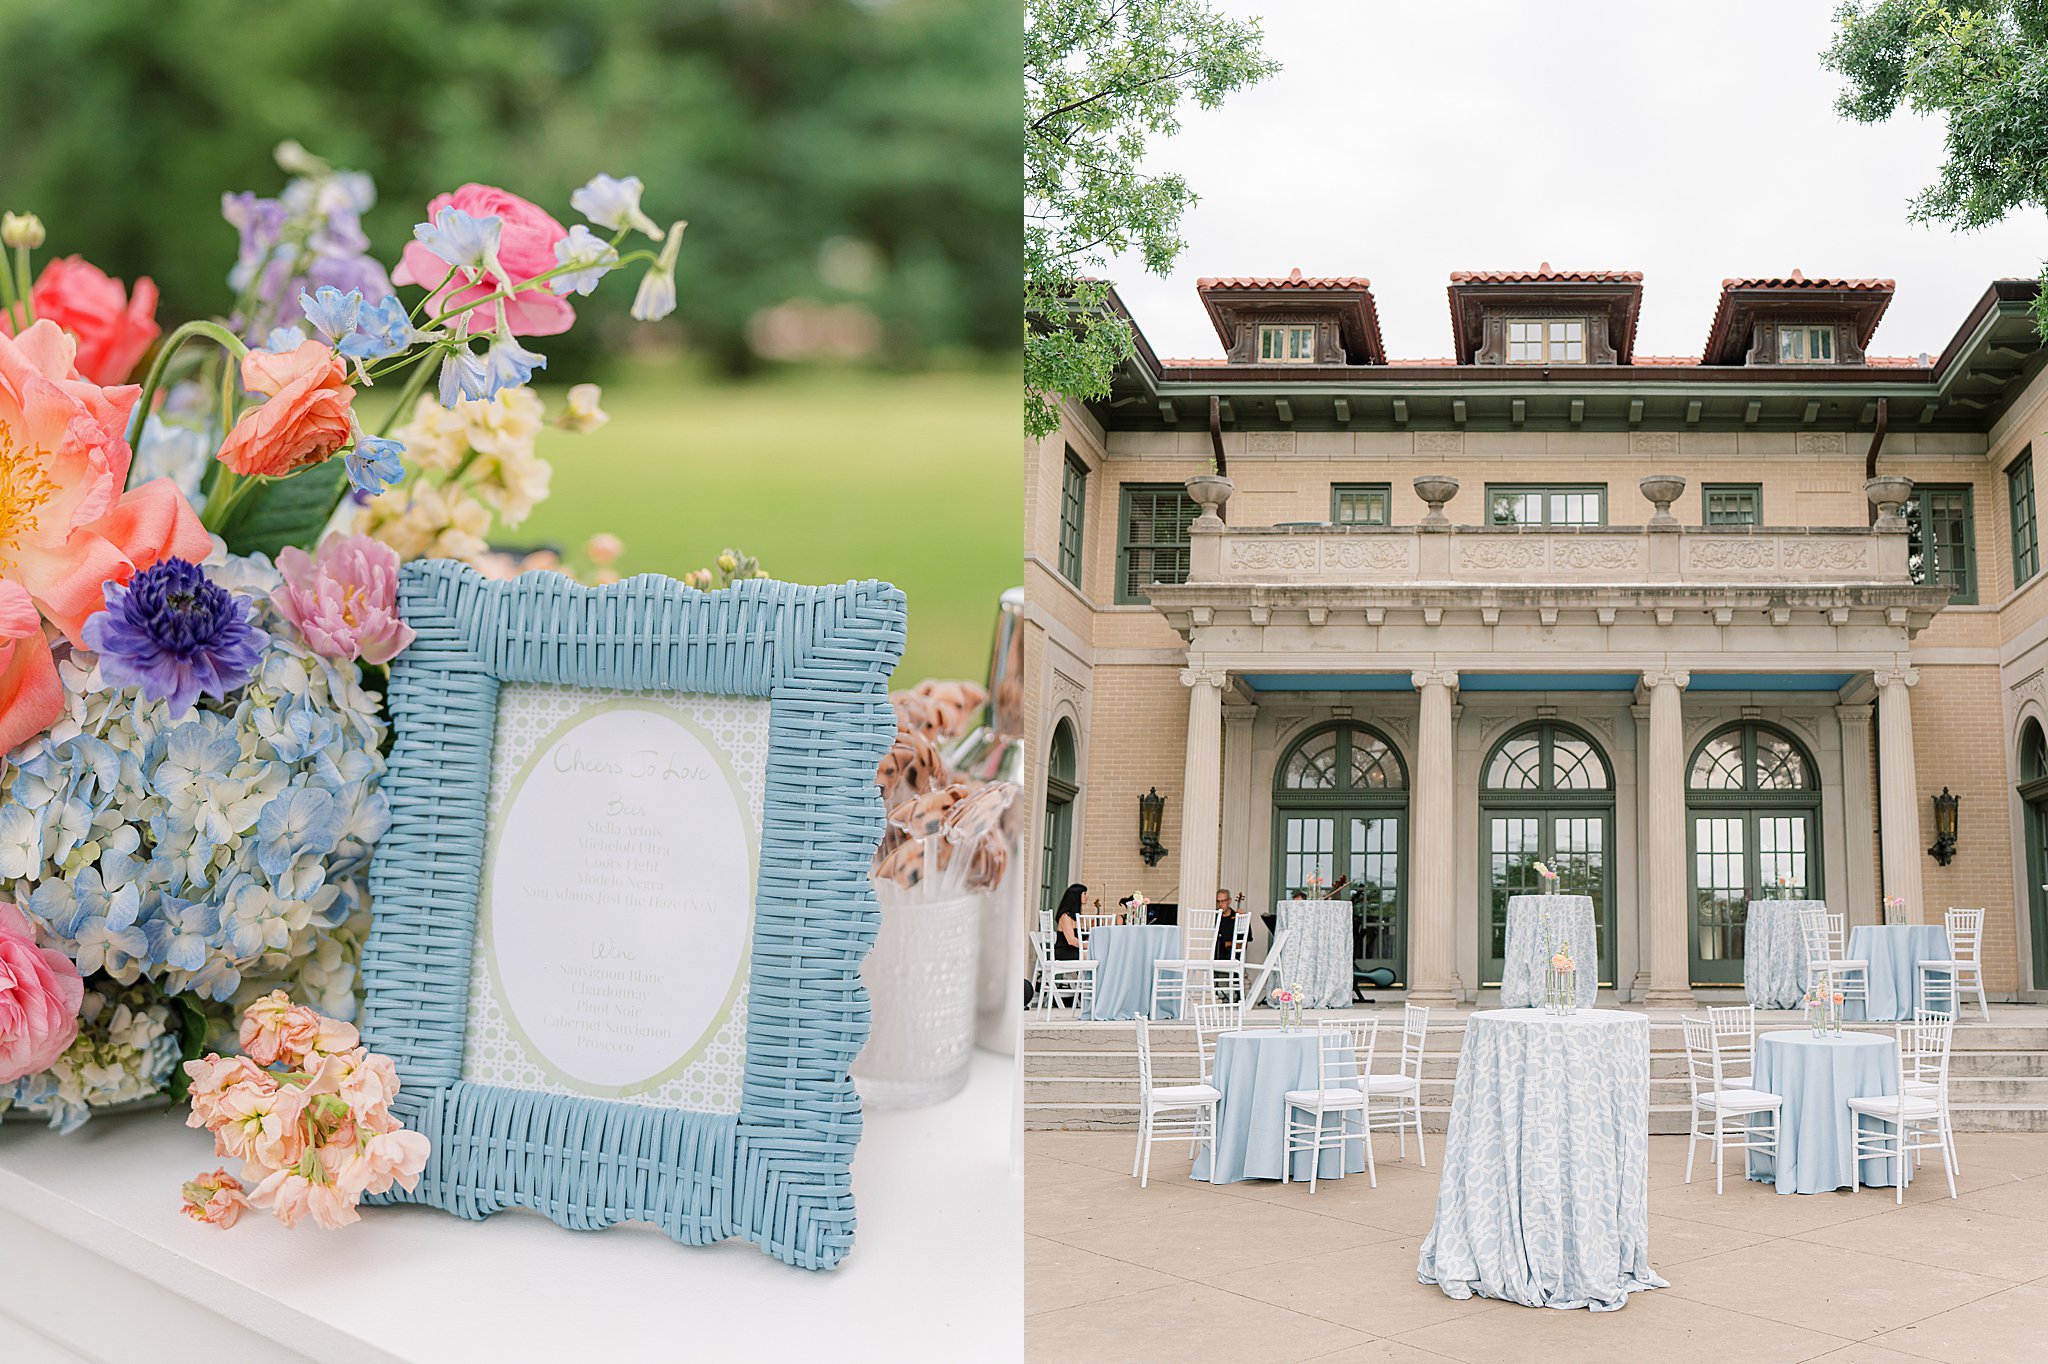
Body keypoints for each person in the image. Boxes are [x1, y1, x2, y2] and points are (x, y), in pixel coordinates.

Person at [1052, 883, 1086, 960]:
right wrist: (1090, 946)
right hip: (1065, 951)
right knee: (1094, 955)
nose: (1087, 896)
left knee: (1097, 954)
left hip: (1075, 950)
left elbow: (1083, 936)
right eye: (1084, 893)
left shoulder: (1077, 916)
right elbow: (1071, 941)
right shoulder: (1065, 916)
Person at [1213, 887, 1239, 959]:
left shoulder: (1236, 917)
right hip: (1214, 956)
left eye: (1223, 901)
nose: (1220, 904)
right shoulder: (1213, 917)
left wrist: (1229, 944)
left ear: (1229, 901)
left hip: (1230, 957)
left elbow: (1244, 943)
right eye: (1218, 901)